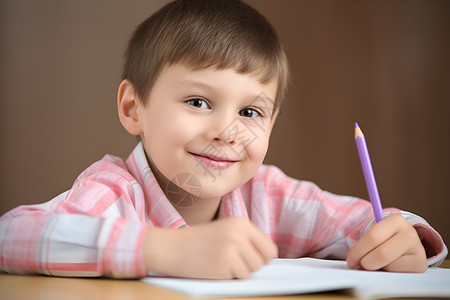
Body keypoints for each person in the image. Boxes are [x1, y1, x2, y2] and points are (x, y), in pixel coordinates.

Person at [0, 0, 447, 279]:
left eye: (250, 112)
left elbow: (360, 222)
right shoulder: (115, 191)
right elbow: (11, 235)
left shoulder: (267, 193)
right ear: (134, 108)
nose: (226, 131)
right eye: (197, 102)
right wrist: (165, 250)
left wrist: (398, 236)